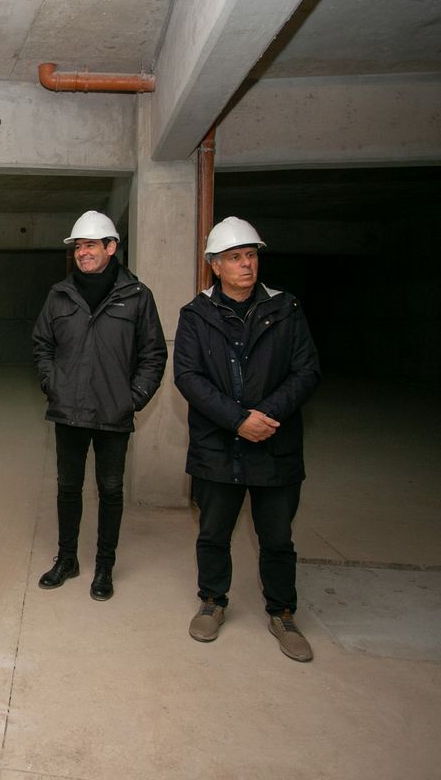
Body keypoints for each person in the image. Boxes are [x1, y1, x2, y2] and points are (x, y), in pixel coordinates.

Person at [174, 216, 321, 662]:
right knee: (213, 532)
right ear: (215, 265)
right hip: (218, 446)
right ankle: (212, 601)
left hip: (274, 444)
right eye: (235, 257)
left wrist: (264, 416)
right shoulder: (196, 315)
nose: (246, 264)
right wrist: (237, 420)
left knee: (276, 537)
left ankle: (282, 612)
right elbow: (188, 376)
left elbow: (306, 371)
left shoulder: (286, 309)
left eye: (251, 255)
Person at [32, 211, 167, 601]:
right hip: (68, 410)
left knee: (110, 490)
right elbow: (42, 344)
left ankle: (105, 566)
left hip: (113, 412)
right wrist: (52, 383)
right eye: (78, 246)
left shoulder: (138, 296)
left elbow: (154, 354)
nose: (82, 253)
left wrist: (133, 398)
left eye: (90, 245)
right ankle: (67, 559)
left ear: (111, 247)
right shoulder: (59, 294)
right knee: (67, 488)